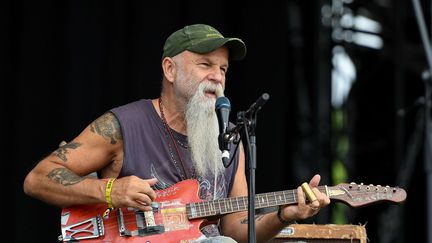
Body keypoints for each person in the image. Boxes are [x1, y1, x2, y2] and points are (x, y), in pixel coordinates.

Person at [23, 23, 330, 243]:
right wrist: (108, 191)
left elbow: (237, 230)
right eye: (205, 64)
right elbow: (37, 179)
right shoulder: (123, 125)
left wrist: (283, 216)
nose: (217, 77)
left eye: (223, 69)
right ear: (170, 70)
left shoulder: (231, 138)